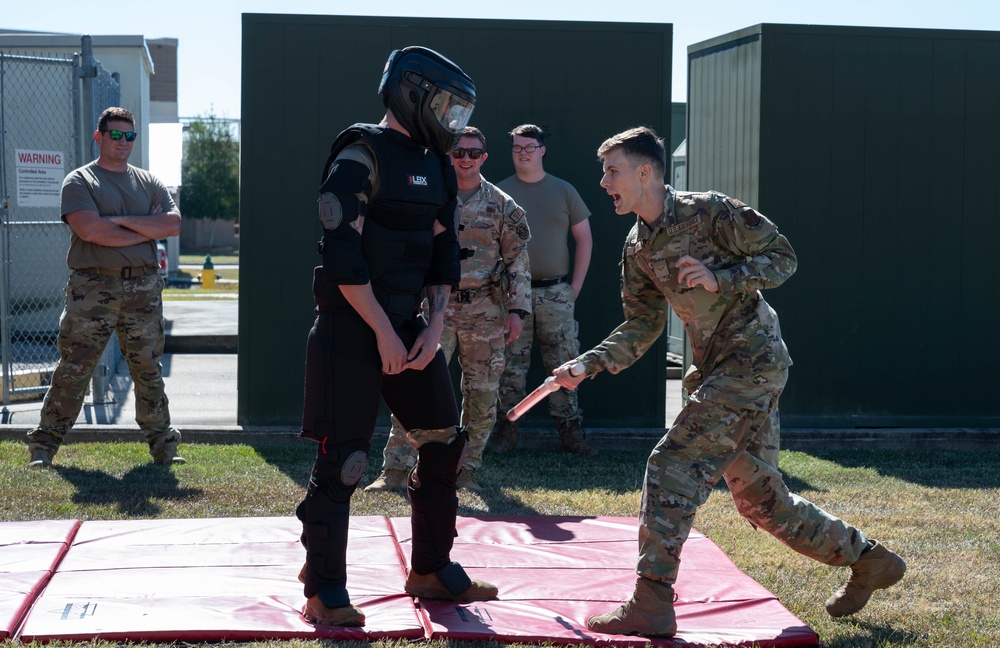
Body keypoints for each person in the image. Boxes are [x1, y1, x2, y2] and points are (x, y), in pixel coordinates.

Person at [549, 126, 906, 637]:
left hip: (753, 361)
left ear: (645, 172)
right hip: (717, 371)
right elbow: (642, 325)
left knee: (672, 462)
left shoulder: (709, 211)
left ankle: (651, 602)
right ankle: (870, 560)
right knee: (761, 501)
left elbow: (784, 257)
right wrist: (587, 364)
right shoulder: (637, 248)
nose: (604, 182)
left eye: (612, 171)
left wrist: (724, 277)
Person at [296, 47, 499, 628]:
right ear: (411, 93)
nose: (454, 122)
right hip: (350, 328)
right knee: (347, 461)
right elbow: (341, 254)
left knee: (442, 442)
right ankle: (324, 591)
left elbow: (441, 251)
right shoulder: (359, 155)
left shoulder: (436, 163)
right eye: (446, 107)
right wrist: (383, 332)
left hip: (410, 329)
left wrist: (433, 328)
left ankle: (431, 568)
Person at [365, 126, 532, 494]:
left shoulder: (503, 205)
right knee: (413, 387)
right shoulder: (430, 196)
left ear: (484, 158)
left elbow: (517, 261)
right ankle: (395, 469)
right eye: (459, 152)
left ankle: (465, 468)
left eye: (474, 153)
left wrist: (517, 310)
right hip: (435, 310)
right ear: (449, 156)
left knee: (483, 394)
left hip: (486, 311)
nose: (466, 159)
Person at [26, 107, 184, 468]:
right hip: (93, 287)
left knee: (147, 368)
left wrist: (120, 221)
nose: (124, 142)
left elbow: (172, 225)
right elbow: (91, 231)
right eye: (116, 135)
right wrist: (146, 226)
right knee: (76, 366)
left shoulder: (149, 181)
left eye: (130, 136)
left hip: (142, 287)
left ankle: (164, 446)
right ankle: (44, 446)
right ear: (99, 137)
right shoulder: (80, 181)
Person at [492, 124, 594, 455]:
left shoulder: (564, 191)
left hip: (556, 294)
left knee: (564, 363)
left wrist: (573, 288)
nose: (523, 152)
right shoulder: (499, 193)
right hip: (511, 297)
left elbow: (584, 239)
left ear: (542, 151)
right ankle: (506, 433)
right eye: (517, 147)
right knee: (509, 366)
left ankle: (571, 434)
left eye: (529, 147)